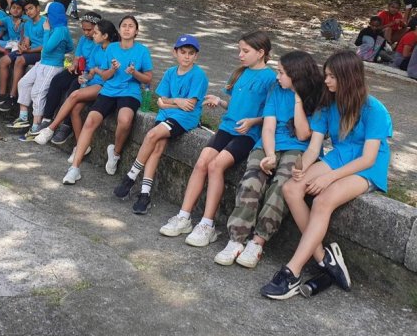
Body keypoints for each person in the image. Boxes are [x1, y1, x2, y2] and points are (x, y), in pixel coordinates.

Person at [261, 50, 392, 300]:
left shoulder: (374, 108)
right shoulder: (327, 104)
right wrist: (302, 167)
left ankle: (292, 272)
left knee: (322, 200)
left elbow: (368, 158)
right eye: (326, 75)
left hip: (367, 166)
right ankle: (324, 257)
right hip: (339, 156)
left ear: (348, 77)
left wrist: (328, 178)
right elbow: (313, 148)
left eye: (331, 76)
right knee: (291, 188)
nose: (326, 80)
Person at [159, 31, 276, 246]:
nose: (240, 55)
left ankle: (207, 224)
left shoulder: (270, 78)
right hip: (226, 128)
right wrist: (220, 101)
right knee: (201, 162)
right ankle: (184, 217)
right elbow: (236, 105)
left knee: (215, 166)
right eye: (239, 50)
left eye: (245, 51)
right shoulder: (240, 72)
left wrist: (253, 121)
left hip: (247, 134)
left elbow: (272, 114)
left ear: (261, 53)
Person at [215, 51, 324, 268]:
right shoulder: (276, 89)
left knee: (281, 185)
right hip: (270, 143)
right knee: (251, 181)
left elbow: (303, 134)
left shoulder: (318, 96)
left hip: (299, 149)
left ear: (296, 76)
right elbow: (268, 127)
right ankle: (236, 239)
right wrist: (270, 154)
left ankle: (258, 241)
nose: (277, 76)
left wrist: (298, 98)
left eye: (282, 73)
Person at [113, 34, 209, 215]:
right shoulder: (171, 72)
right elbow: (162, 99)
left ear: (196, 56)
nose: (187, 56)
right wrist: (176, 101)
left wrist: (169, 103)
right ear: (175, 53)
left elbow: (189, 105)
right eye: (183, 52)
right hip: (166, 114)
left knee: (151, 135)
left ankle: (131, 176)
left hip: (184, 118)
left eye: (191, 53)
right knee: (157, 148)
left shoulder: (198, 75)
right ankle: (145, 194)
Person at [62, 15, 153, 185]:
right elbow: (104, 76)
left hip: (130, 91)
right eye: (124, 25)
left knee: (125, 120)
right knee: (90, 120)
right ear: (119, 30)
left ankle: (115, 153)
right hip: (109, 90)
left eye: (131, 26)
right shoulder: (111, 48)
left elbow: (148, 78)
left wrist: (134, 73)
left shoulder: (142, 51)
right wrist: (112, 69)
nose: (127, 29)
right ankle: (74, 168)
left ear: (136, 32)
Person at [34, 19, 119, 152]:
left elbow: (106, 75)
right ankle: (81, 147)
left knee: (74, 94)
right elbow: (90, 71)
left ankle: (51, 128)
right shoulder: (97, 47)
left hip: (105, 85)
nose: (93, 35)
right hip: (92, 82)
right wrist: (85, 77)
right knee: (75, 110)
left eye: (96, 32)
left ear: (105, 36)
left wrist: (95, 71)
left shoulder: (114, 49)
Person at [7, 2, 74, 138]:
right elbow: (69, 47)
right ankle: (23, 117)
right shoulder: (58, 28)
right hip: (42, 63)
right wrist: (59, 47)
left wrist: (47, 31)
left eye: (49, 15)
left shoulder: (60, 29)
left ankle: (36, 126)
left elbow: (47, 48)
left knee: (37, 93)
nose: (47, 18)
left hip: (51, 66)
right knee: (24, 83)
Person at [0, 0, 46, 113]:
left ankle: (12, 97)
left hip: (41, 53)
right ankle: (2, 95)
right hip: (30, 50)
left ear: (38, 8)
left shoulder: (45, 23)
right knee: (3, 60)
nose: (28, 12)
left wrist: (29, 50)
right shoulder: (28, 24)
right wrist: (23, 46)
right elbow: (27, 40)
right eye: (26, 10)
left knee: (19, 60)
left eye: (31, 8)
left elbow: (45, 46)